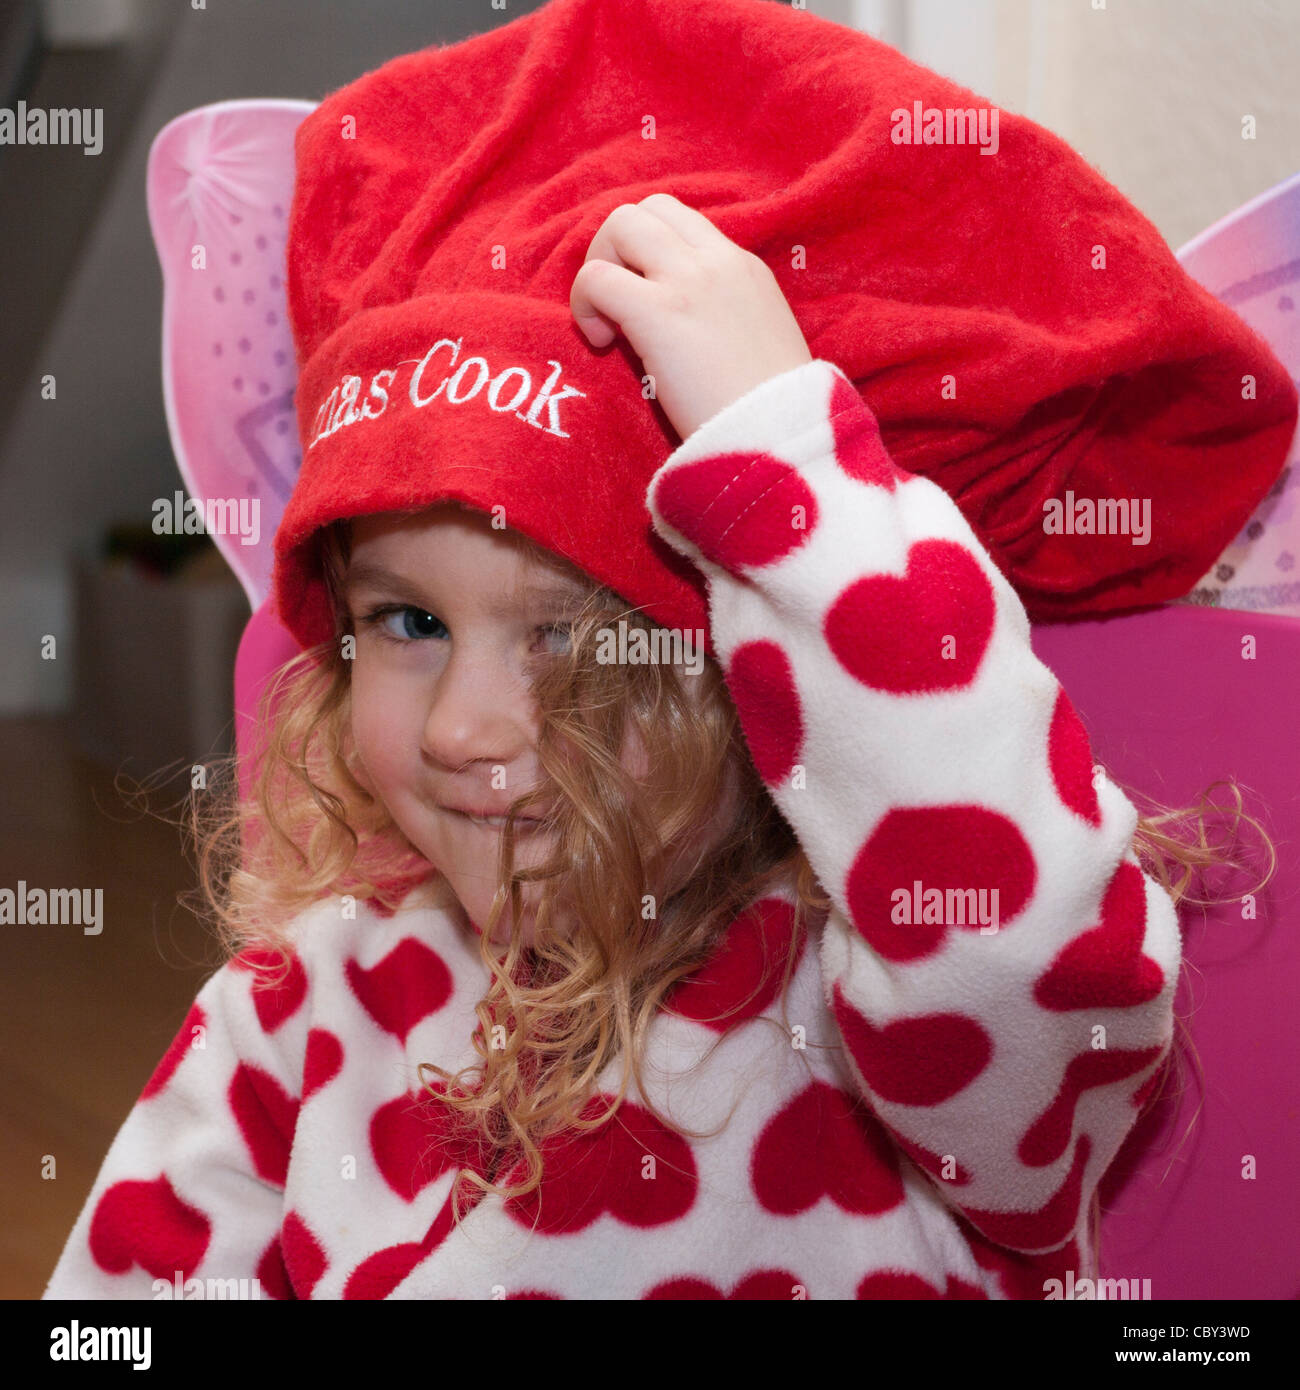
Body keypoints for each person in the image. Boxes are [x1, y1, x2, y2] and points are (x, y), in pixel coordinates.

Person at [44, 0, 1289, 1301]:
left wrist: (792, 483)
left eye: (577, 644)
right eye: (409, 621)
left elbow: (1033, 954)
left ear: (769, 654)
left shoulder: (888, 1030)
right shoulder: (305, 1009)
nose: (465, 726)